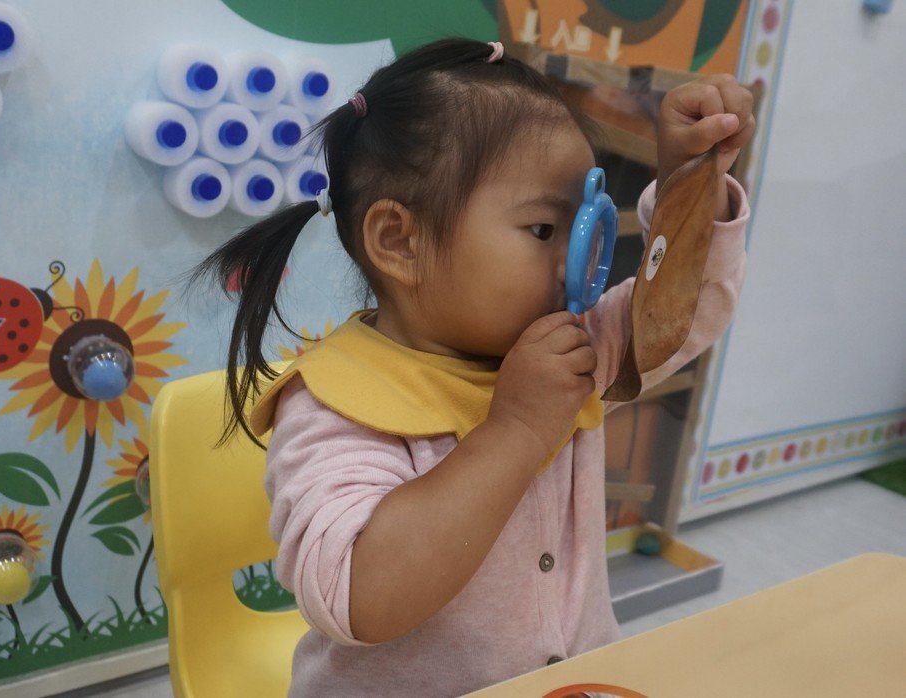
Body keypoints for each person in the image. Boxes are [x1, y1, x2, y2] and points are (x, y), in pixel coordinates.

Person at [197, 37, 754, 697]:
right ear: (399, 242)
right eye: (544, 230)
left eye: (584, 228)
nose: (579, 265)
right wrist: (516, 430)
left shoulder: (569, 346)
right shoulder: (338, 401)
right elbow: (359, 598)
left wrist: (691, 185)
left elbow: (682, 315)